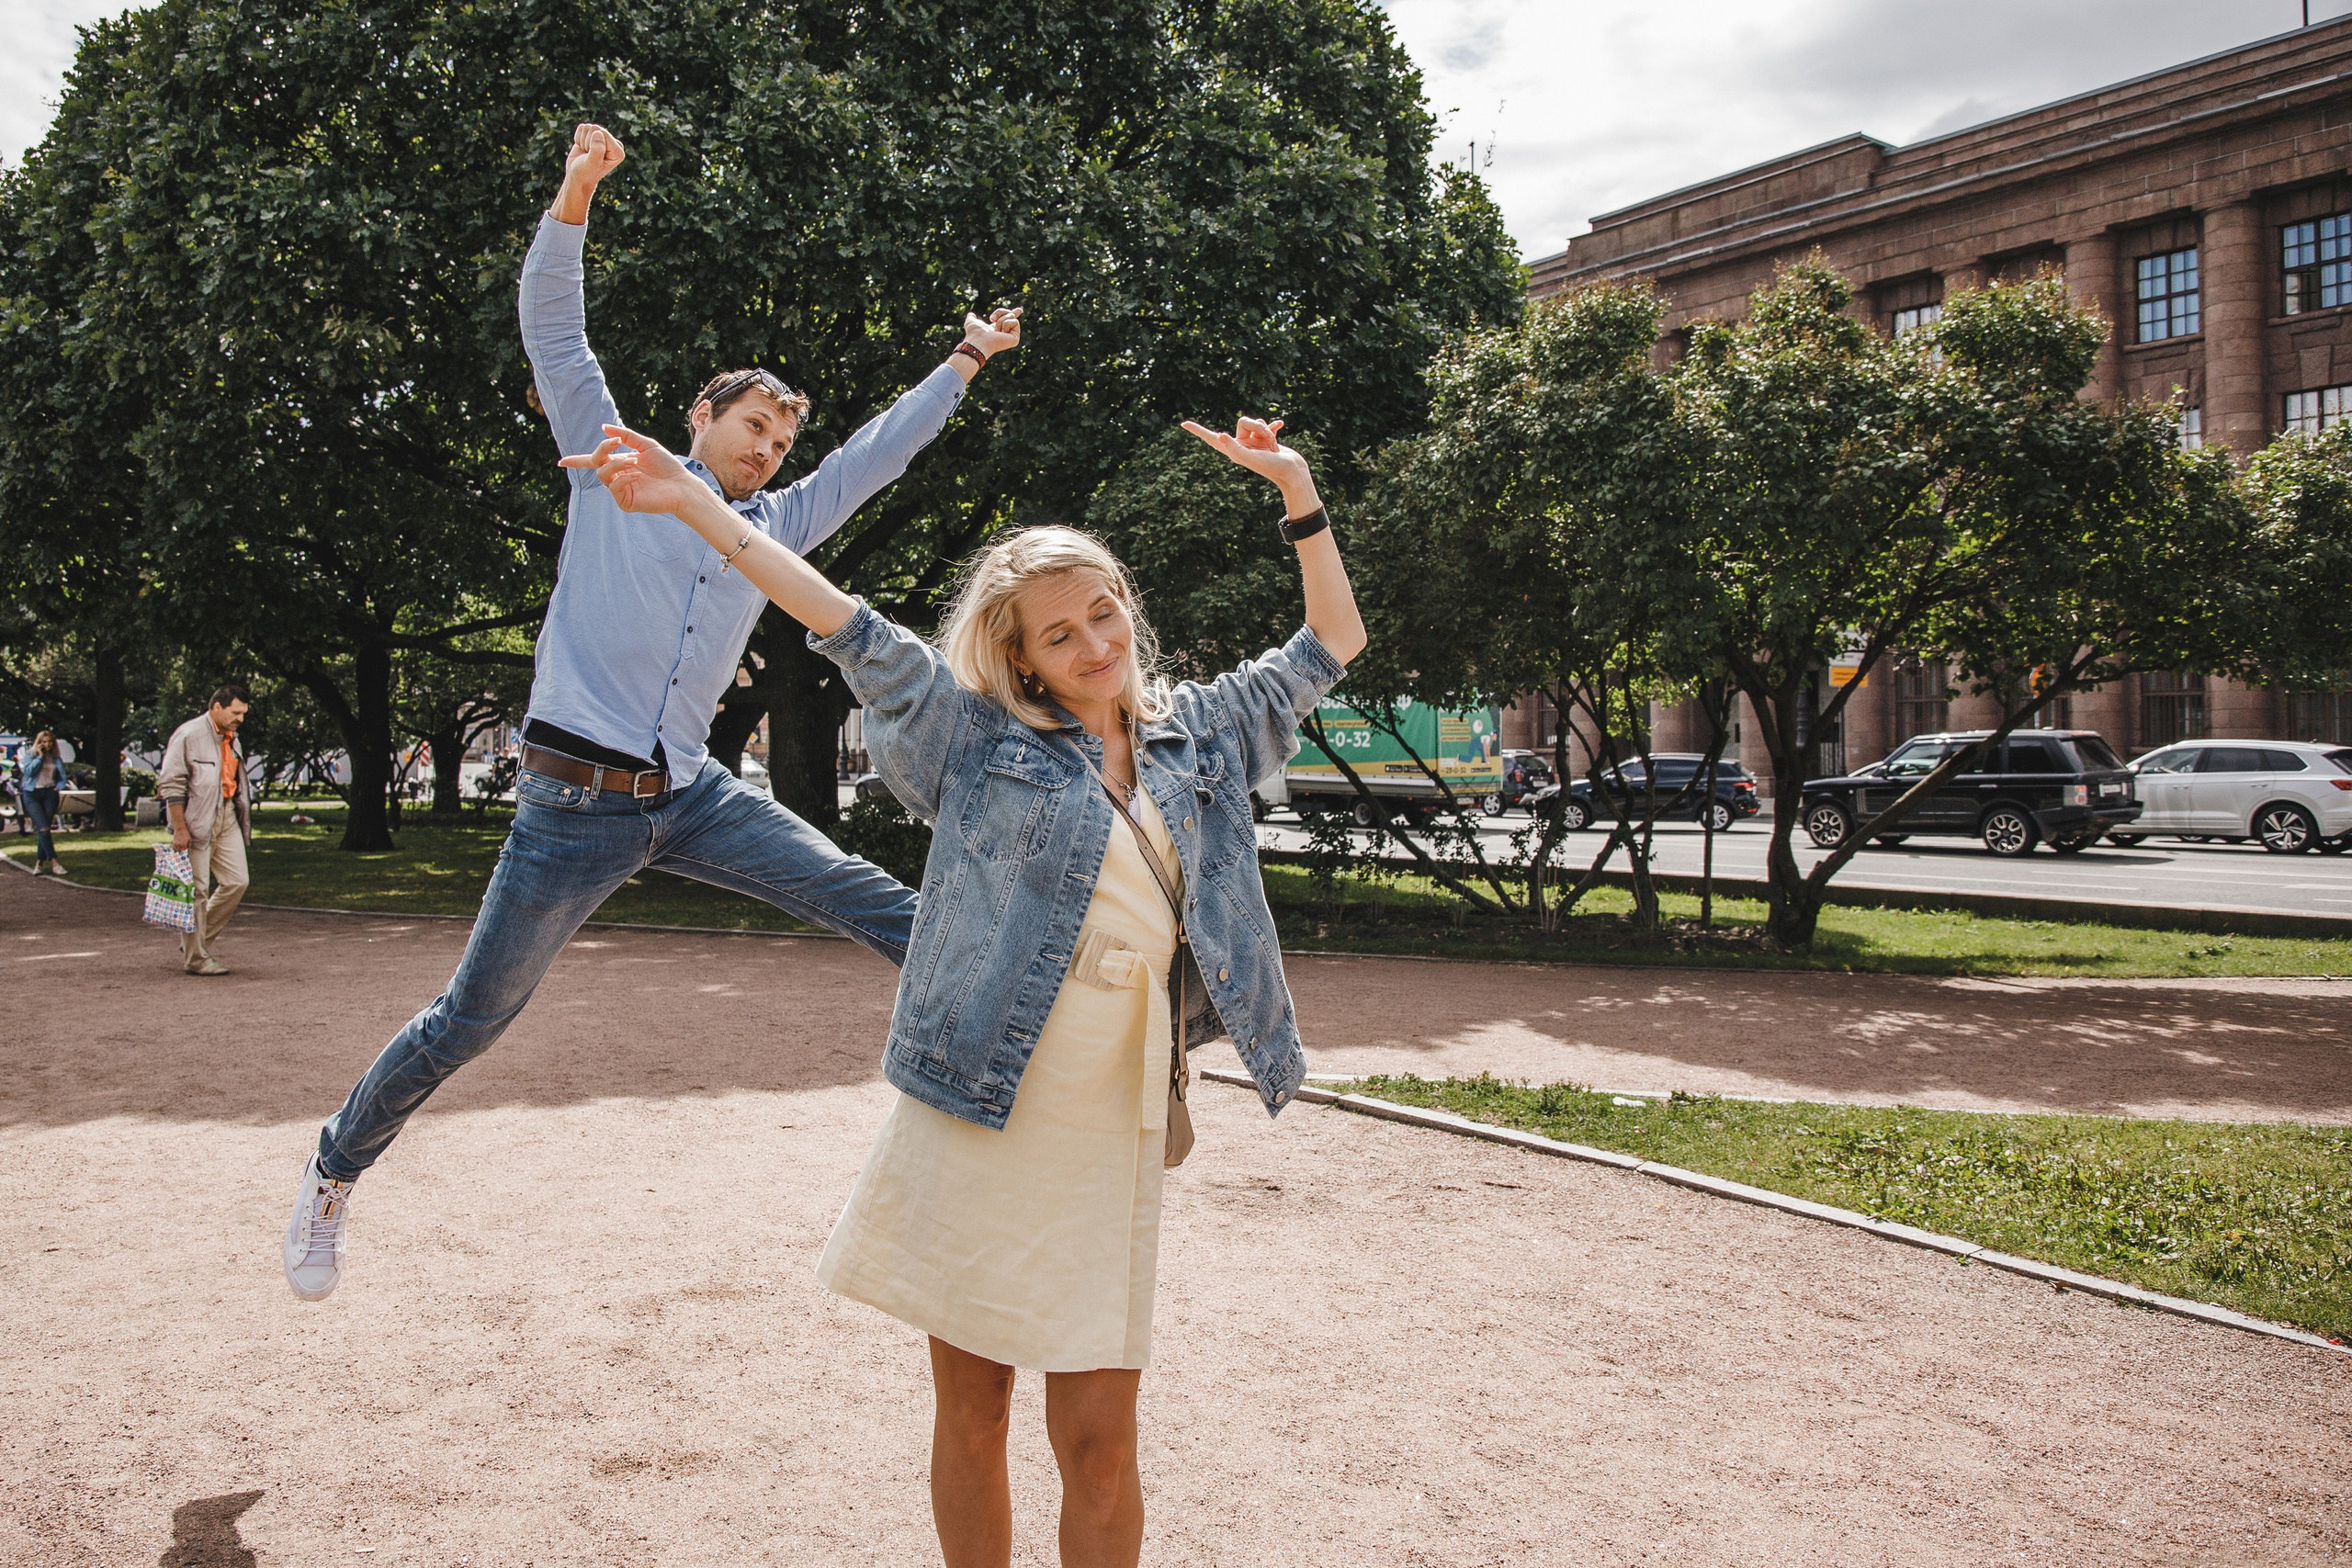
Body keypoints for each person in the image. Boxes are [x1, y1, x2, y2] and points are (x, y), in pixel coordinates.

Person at [564, 407, 1364, 1566]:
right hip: (982, 1100)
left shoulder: (1205, 732)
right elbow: (838, 618)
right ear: (1021, 657)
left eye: (1105, 613)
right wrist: (696, 506)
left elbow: (1331, 637)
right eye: (1060, 634)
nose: (1095, 644)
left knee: (1101, 1442)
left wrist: (1296, 487)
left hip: (1111, 1116)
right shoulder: (975, 743)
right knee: (976, 1410)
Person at [280, 119, 1023, 1303]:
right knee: (470, 1021)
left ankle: (1032, 1038)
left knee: (880, 904)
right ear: (701, 419)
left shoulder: (774, 529)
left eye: (784, 441)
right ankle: (333, 1167)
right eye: (755, 429)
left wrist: (965, 362)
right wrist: (576, 189)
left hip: (693, 797)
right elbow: (555, 333)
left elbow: (879, 455)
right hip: (570, 809)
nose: (771, 453)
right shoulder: (611, 460)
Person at [156, 689, 254, 973]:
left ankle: (196, 940)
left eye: (243, 713)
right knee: (198, 890)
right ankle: (196, 958)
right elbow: (171, 785)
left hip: (226, 815)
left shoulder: (232, 736)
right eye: (235, 712)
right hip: (196, 819)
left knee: (237, 881)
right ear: (215, 707)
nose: (240, 719)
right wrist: (179, 829)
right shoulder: (189, 735)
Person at [20, 730, 66, 875]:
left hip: (49, 793)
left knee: (44, 829)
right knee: (43, 828)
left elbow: (62, 776)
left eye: (50, 742)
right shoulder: (30, 755)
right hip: (32, 794)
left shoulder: (56, 758)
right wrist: (39, 758)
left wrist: (57, 788)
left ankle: (38, 864)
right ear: (39, 742)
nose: (47, 745)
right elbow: (29, 772)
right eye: (44, 742)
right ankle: (55, 863)